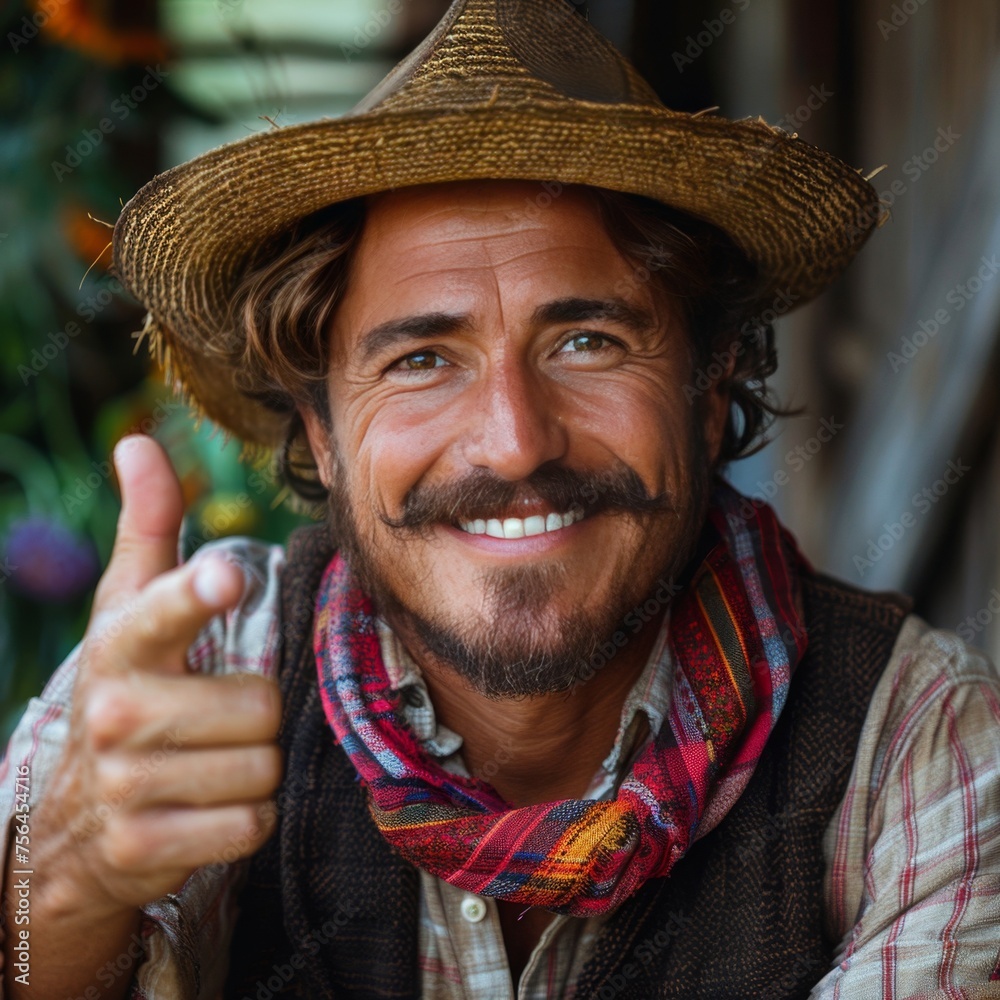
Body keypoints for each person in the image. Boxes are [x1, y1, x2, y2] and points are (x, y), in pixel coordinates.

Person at [3, 1, 999, 997]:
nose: (515, 441)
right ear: (322, 433)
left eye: (587, 343)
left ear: (708, 388)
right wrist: (69, 887)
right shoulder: (194, 673)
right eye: (422, 359)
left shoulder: (918, 742)